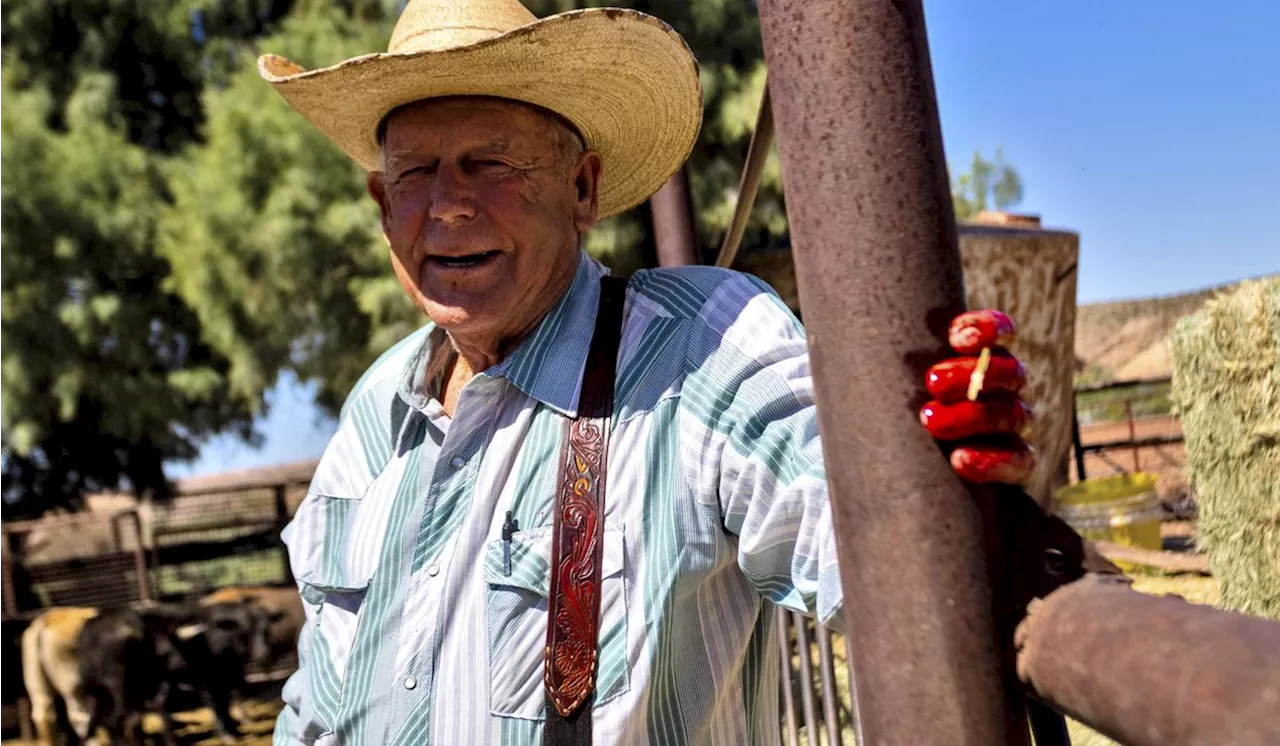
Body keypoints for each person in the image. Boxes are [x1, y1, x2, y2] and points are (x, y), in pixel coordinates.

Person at [258, 1, 1035, 743]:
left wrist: (932, 473)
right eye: (414, 173)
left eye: (491, 162)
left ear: (583, 188)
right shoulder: (376, 408)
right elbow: (319, 701)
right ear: (380, 202)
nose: (447, 205)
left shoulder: (697, 347)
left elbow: (869, 534)